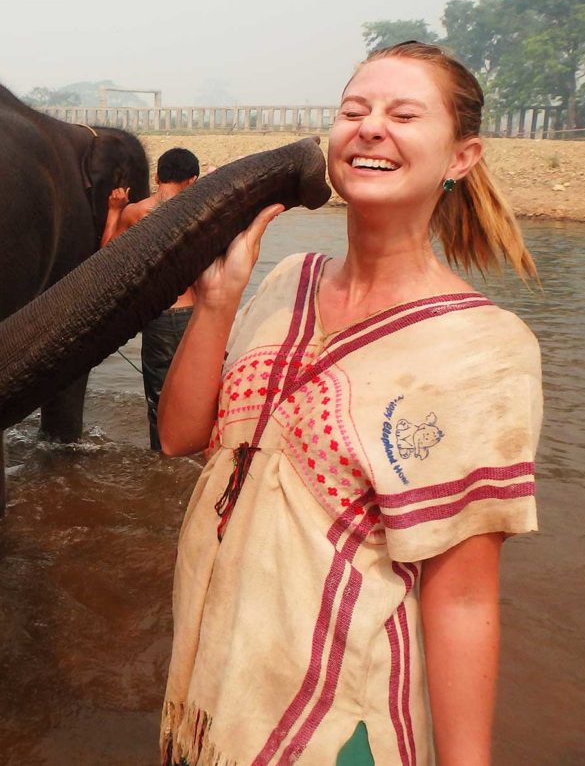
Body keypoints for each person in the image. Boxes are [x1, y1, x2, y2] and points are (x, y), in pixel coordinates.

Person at [157, 42, 541, 765]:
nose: (368, 128)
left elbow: (460, 600)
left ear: (462, 157)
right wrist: (216, 300)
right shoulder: (286, 282)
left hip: (332, 727)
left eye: (403, 114)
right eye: (353, 110)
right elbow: (180, 436)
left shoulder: (484, 349)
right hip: (211, 698)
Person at [100, 147, 201, 450]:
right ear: (193, 179)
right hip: (195, 314)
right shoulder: (200, 211)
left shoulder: (136, 213)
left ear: (157, 175)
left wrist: (115, 211)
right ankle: (198, 456)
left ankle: (164, 459)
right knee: (198, 389)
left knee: (159, 396)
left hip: (158, 316)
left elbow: (107, 260)